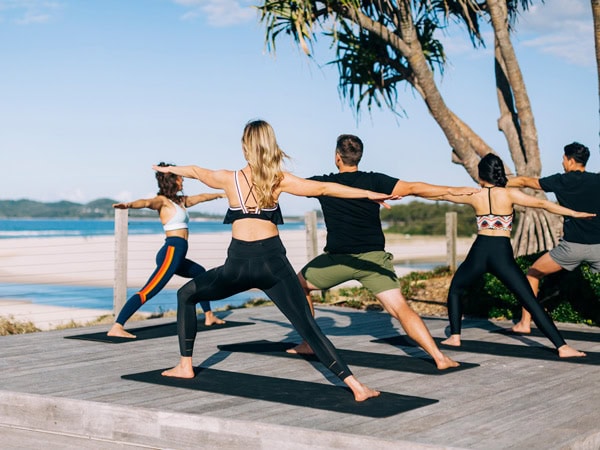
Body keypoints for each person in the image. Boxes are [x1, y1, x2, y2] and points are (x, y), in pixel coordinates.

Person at [155, 120, 395, 401]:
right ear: (270, 145)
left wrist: (171, 169)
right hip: (273, 264)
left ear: (245, 146)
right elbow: (326, 189)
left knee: (186, 295)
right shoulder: (278, 179)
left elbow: (195, 171)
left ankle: (185, 366)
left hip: (238, 265)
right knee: (307, 326)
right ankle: (356, 386)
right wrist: (368, 194)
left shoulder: (228, 178)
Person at [289, 134, 478, 370]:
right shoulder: (375, 181)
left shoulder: (324, 184)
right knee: (400, 308)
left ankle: (309, 342)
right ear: (358, 157)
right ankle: (440, 358)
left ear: (338, 157)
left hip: (338, 260)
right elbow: (415, 188)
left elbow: (289, 185)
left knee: (299, 284)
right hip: (375, 261)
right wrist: (451, 189)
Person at [432, 153, 593, 357]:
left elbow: (440, 194)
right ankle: (562, 347)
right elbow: (543, 205)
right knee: (529, 300)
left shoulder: (474, 194)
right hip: (501, 253)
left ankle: (454, 336)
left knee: (456, 289)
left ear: (481, 176)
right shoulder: (509, 194)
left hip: (480, 250)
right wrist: (575, 213)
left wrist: (407, 193)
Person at [107, 162, 227, 338]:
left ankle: (209, 316)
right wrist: (129, 205)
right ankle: (117, 326)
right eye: (180, 177)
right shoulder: (162, 201)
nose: (182, 180)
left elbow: (201, 197)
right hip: (171, 252)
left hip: (178, 254)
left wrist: (221, 194)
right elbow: (147, 202)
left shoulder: (180, 201)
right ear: (172, 180)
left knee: (201, 274)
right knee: (149, 290)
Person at [506, 142, 600, 334]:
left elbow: (525, 182)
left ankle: (525, 323)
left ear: (571, 160)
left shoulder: (560, 180)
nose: (562, 162)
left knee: (532, 273)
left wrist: (497, 180)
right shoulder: (597, 180)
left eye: (564, 158)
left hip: (571, 249)